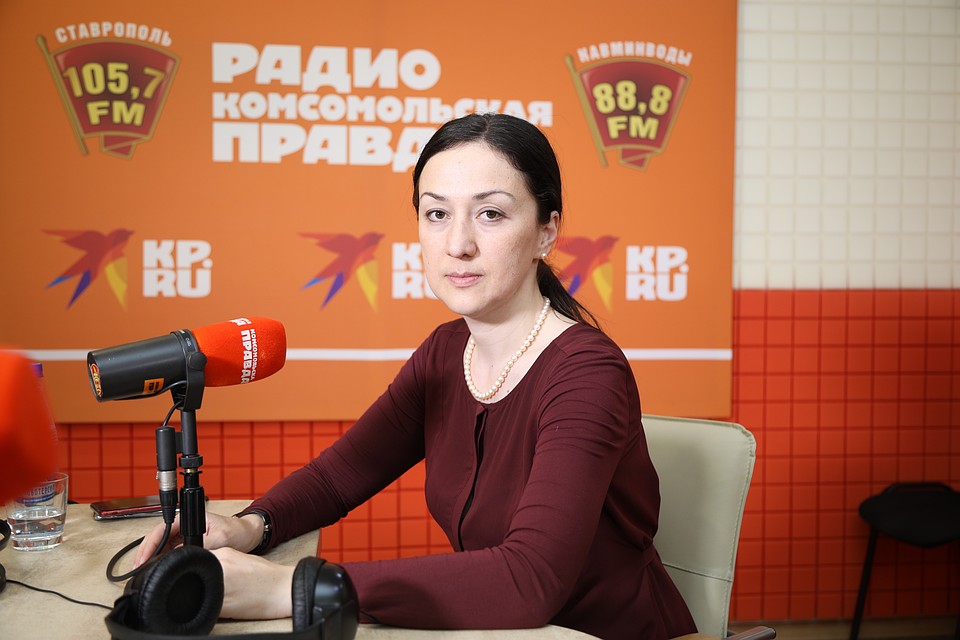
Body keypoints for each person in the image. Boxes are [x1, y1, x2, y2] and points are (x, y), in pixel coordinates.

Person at [135, 113, 697, 640]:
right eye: (437, 214)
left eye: (491, 214)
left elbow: (529, 580)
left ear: (546, 232)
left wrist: (291, 586)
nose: (458, 244)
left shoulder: (587, 374)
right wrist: (251, 525)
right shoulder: (445, 353)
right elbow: (339, 477)